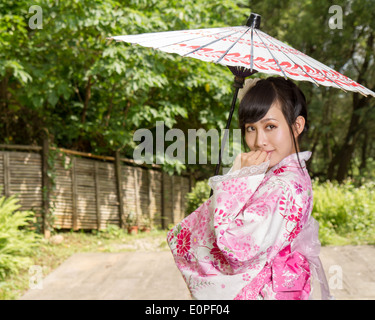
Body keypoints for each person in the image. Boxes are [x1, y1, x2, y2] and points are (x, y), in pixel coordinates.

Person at [167, 76, 331, 300]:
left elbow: (234, 246)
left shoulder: (282, 186)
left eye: (270, 126)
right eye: (250, 128)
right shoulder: (287, 173)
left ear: (297, 126)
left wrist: (237, 181)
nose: (259, 141)